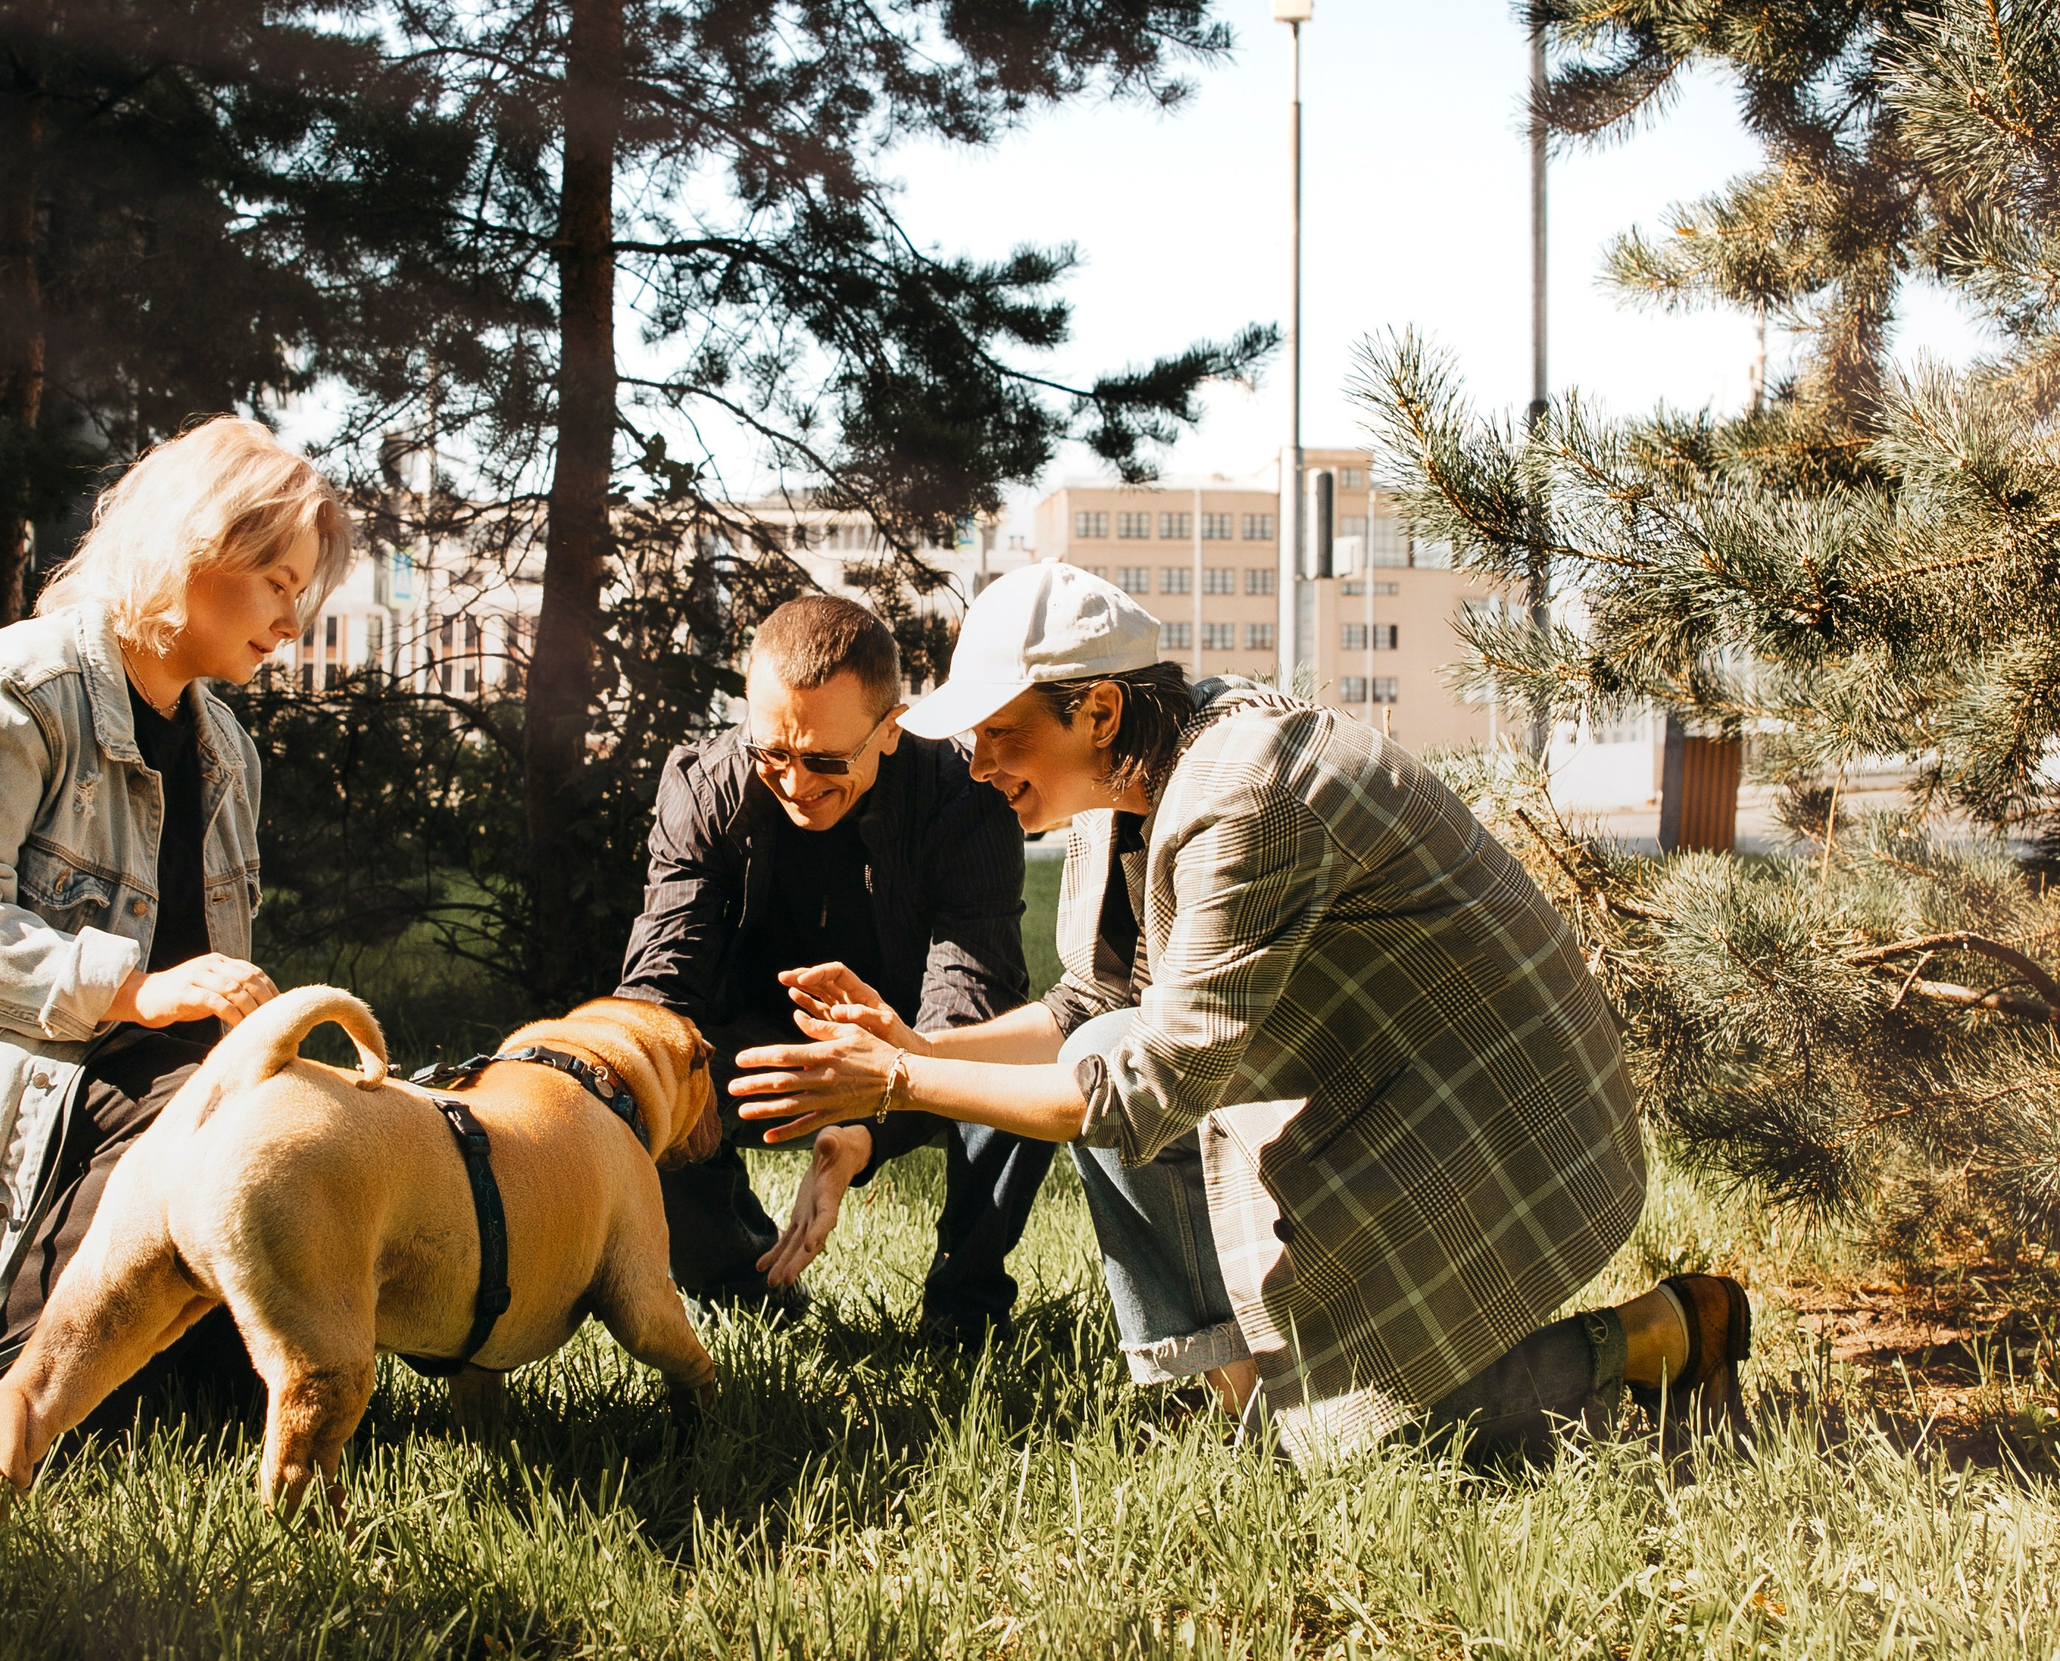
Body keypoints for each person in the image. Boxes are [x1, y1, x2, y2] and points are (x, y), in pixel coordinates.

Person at [729, 561, 1753, 1463]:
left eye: (1000, 731)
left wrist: (901, 1080)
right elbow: (1098, 1002)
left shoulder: (1240, 788)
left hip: (1504, 1122)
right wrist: (918, 1043)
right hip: (1385, 1097)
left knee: (1394, 1440)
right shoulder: (1116, 788)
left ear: (1095, 712)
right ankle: (1258, 1411)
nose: (979, 762)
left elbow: (1147, 1088)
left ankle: (1661, 1332)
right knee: (1330, 1427)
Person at [0, 416, 352, 1487]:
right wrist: (136, 990)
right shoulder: (12, 692)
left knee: (290, 1116)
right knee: (194, 1107)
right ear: (198, 549)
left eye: (306, 595)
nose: (295, 621)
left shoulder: (226, 747)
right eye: (279, 582)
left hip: (131, 1064)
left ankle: (166, 1364)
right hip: (7, 1066)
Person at [616, 593, 1050, 1339]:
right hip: (757, 1052)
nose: (794, 782)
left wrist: (869, 1129)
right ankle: (742, 1288)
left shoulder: (965, 796)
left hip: (914, 1043)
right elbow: (661, 987)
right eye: (771, 753)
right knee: (642, 1073)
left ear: (891, 728)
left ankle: (965, 1311)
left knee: (1026, 1067)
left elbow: (970, 1002)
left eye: (824, 760)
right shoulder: (703, 786)